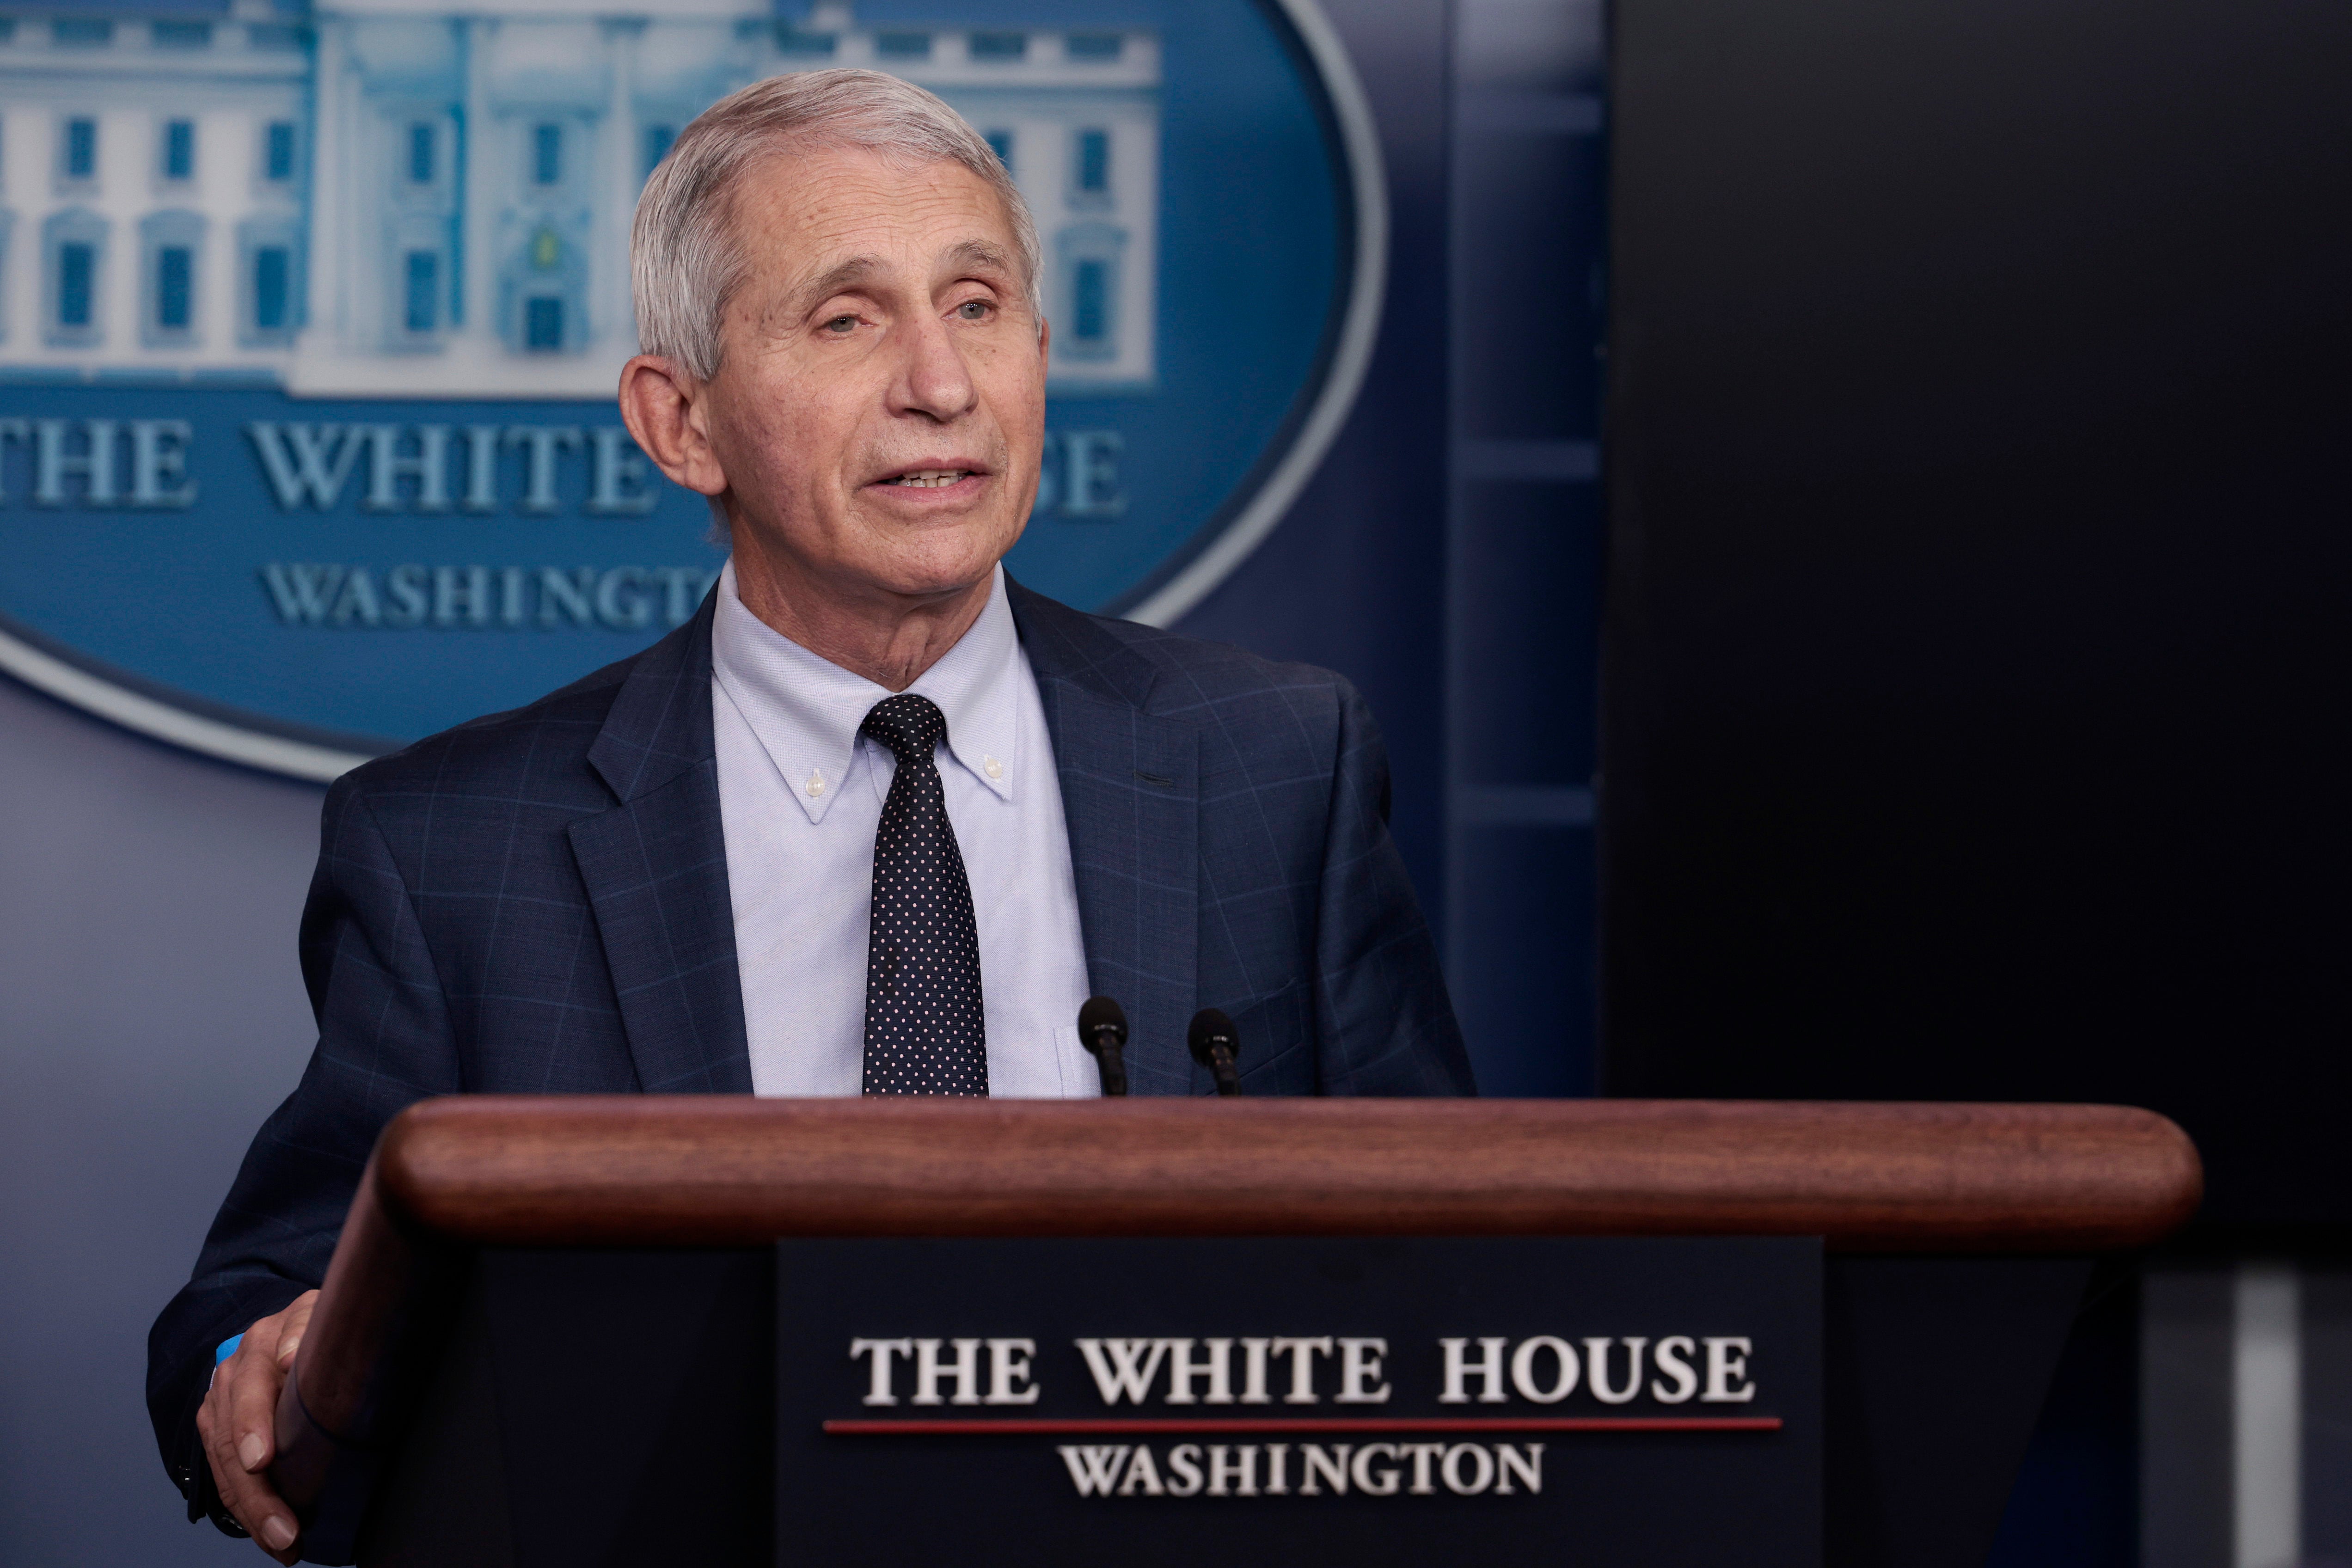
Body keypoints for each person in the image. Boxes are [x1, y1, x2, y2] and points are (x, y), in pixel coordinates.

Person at [148, 68, 1472, 1556]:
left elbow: (1452, 1264)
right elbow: (260, 1299)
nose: (941, 383)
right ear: (682, 422)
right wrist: (241, 1368)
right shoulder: (455, 846)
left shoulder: (1279, 765)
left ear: (1040, 352)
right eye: (848, 321)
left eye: (977, 306)